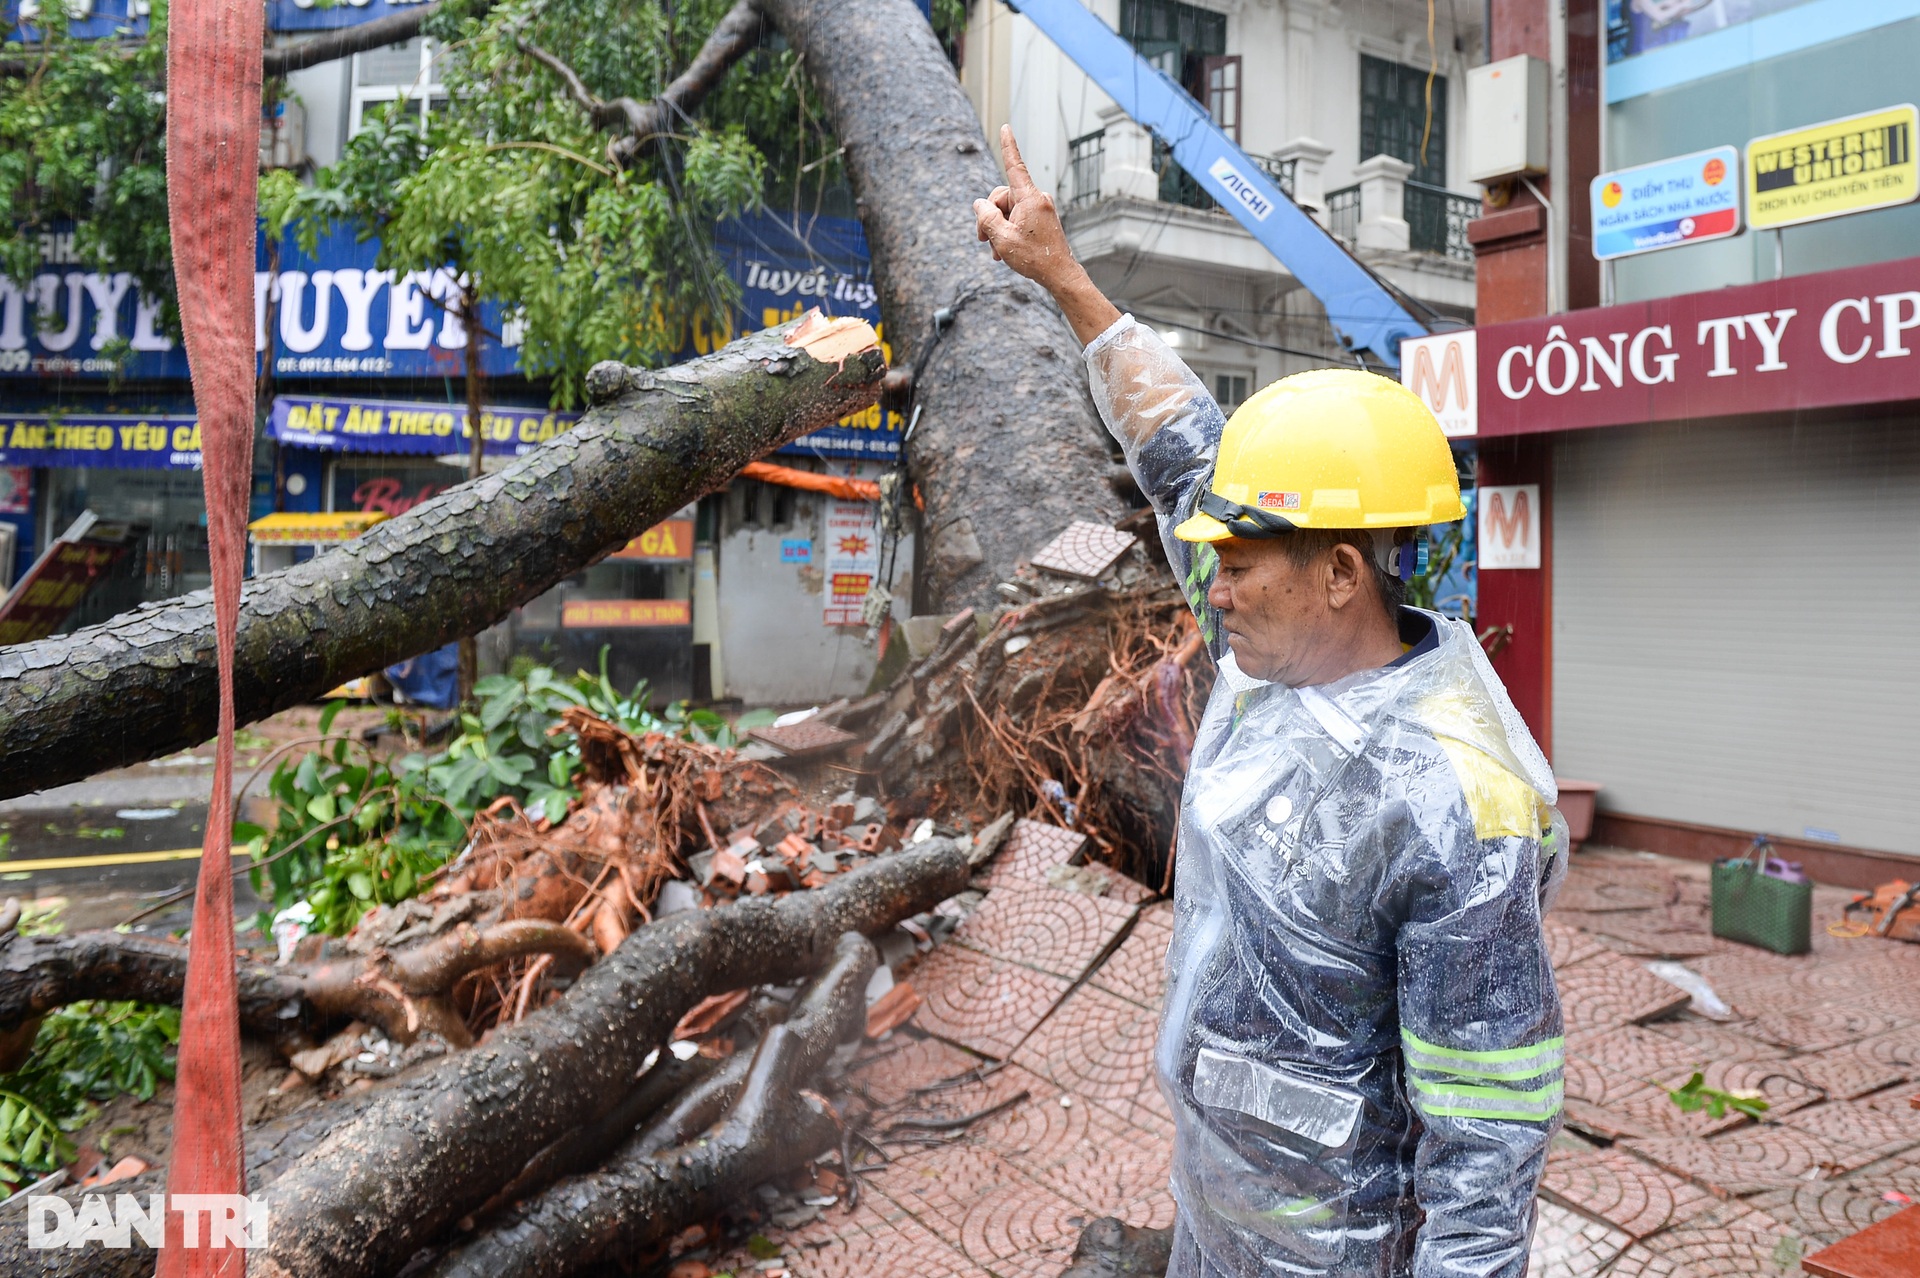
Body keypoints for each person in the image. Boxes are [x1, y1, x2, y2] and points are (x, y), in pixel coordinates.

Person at [974, 126, 1568, 1278]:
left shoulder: (1459, 799)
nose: (1211, 580)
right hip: (1218, 1212)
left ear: (1341, 571)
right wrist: (1060, 272)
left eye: (1238, 561)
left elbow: (1487, 1143)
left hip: (1343, 1254)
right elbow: (1185, 451)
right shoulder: (1269, 656)